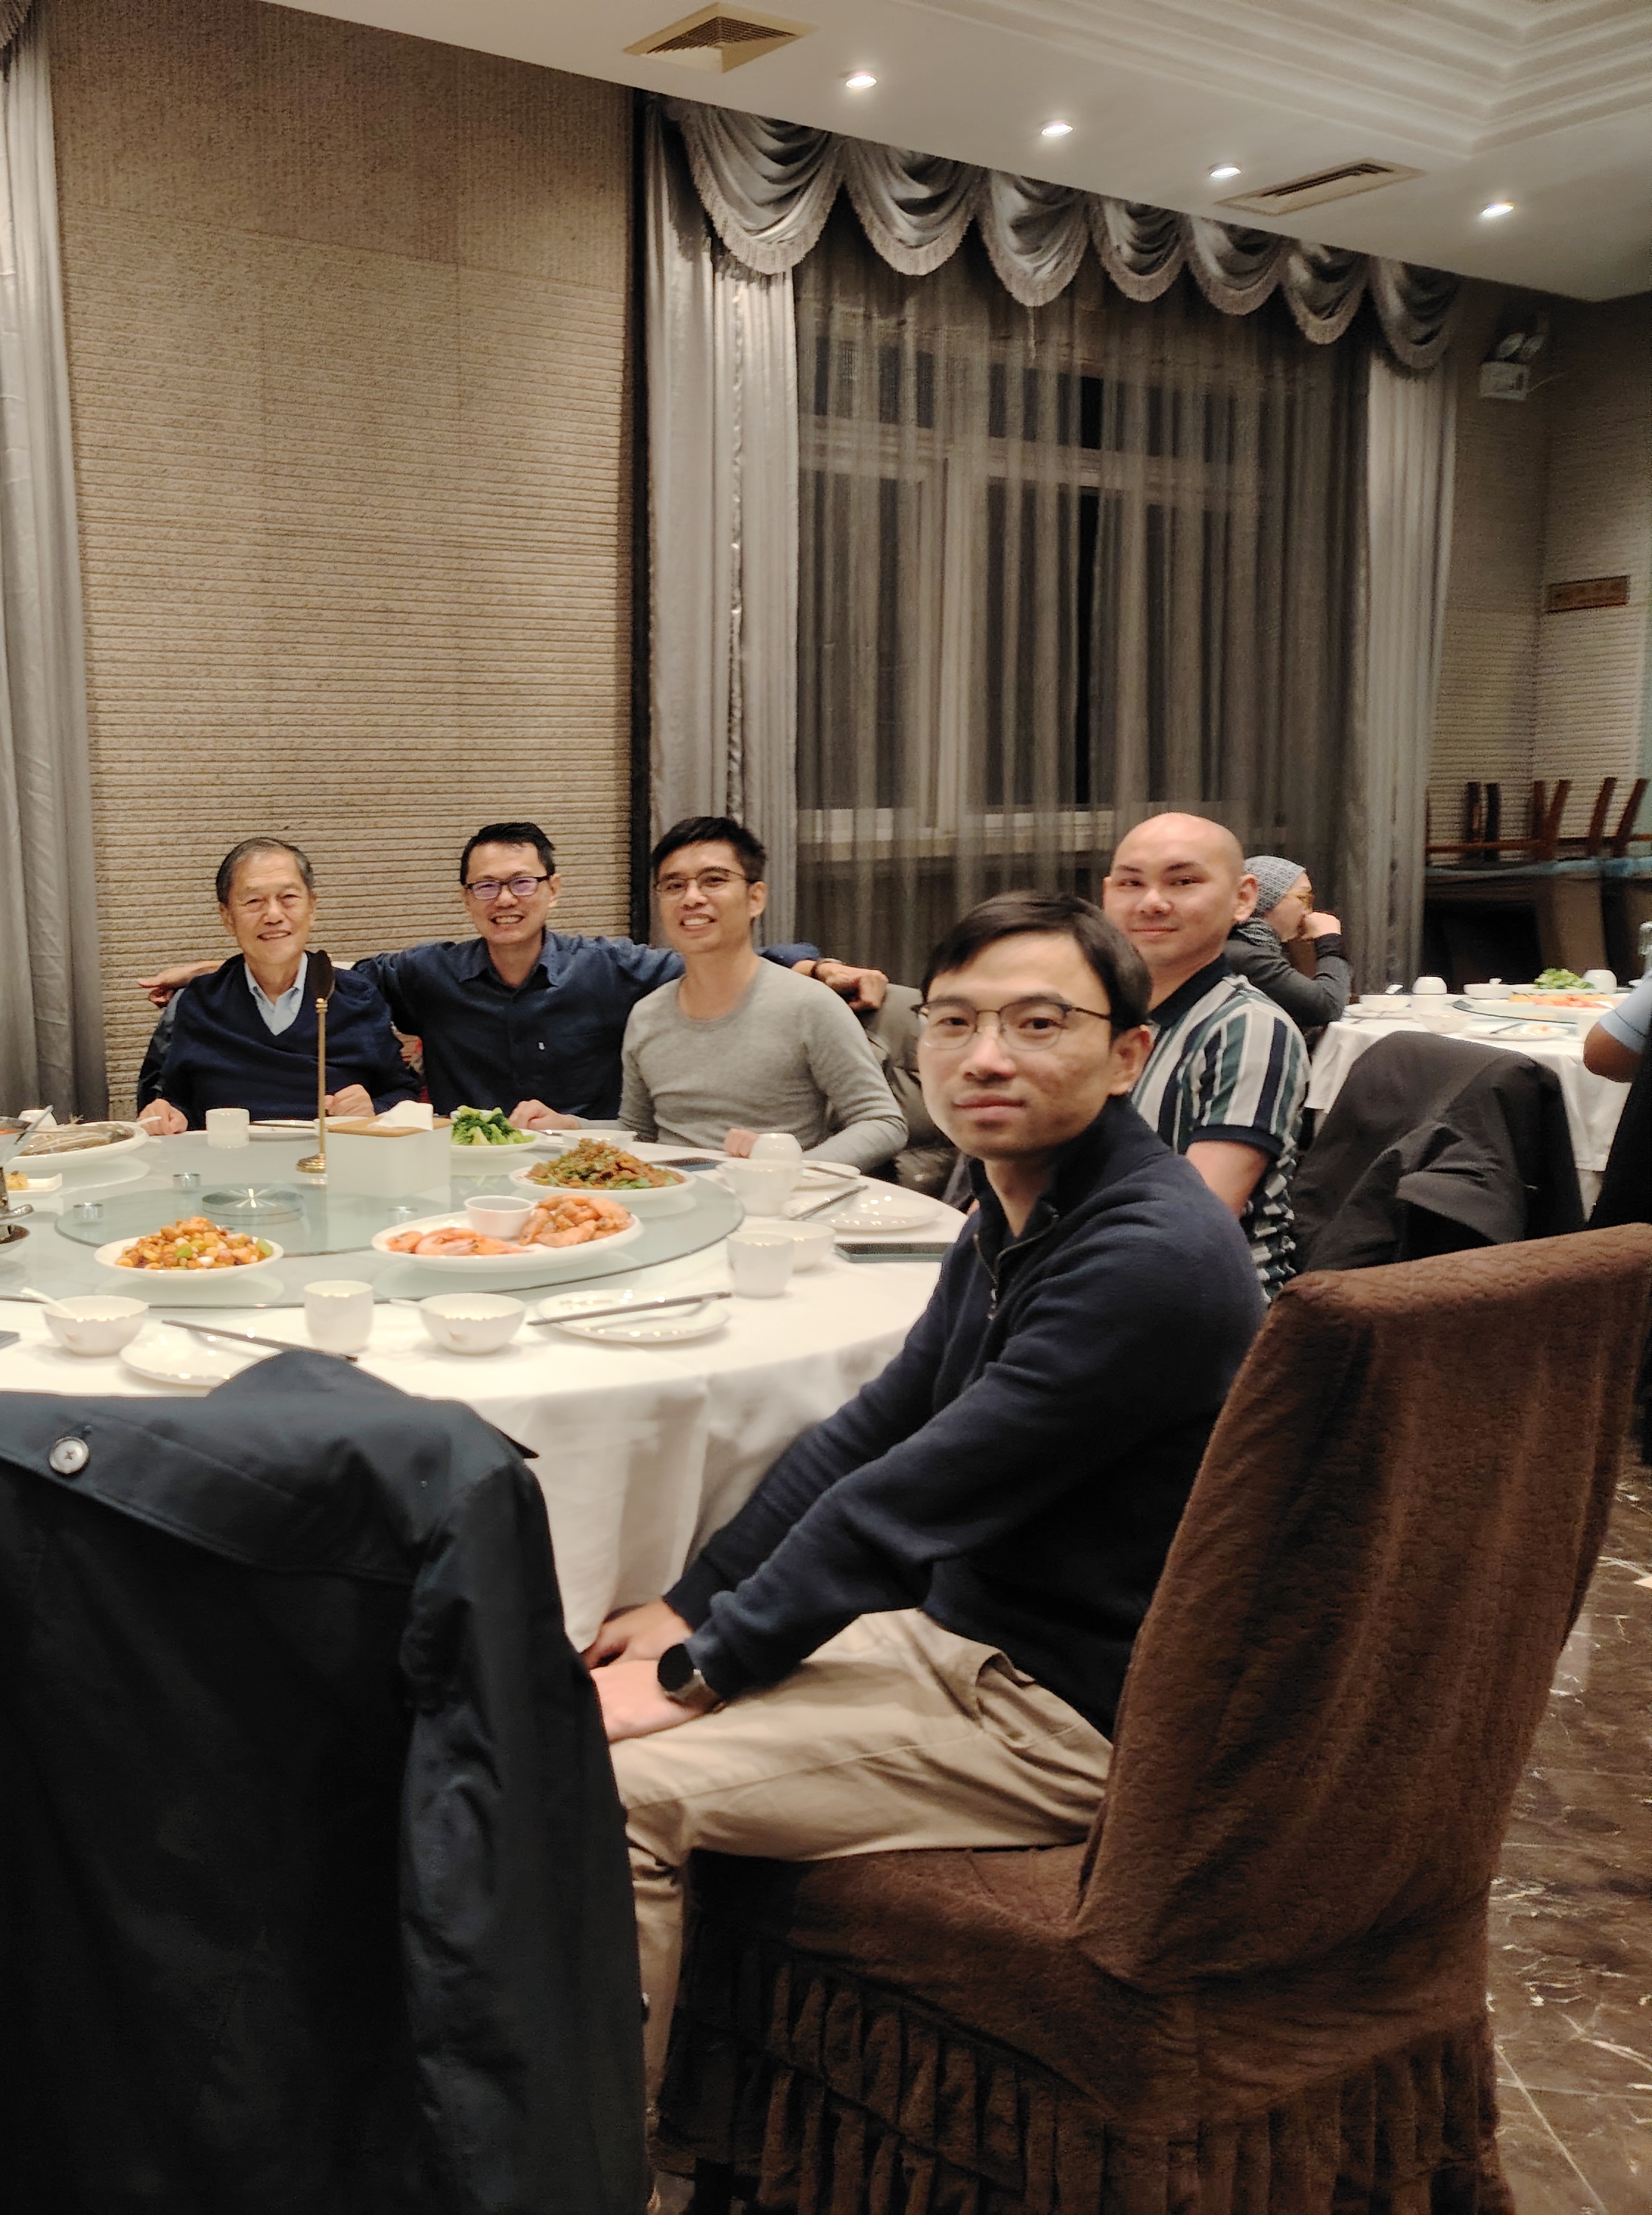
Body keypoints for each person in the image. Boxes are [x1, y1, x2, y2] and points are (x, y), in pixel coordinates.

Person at [588, 890, 1262, 2089]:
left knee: (601, 1789)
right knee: (569, 1680)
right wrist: (696, 1600)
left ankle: (591, 2170)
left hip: (1067, 1712)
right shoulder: (1016, 1202)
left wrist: (698, 1673)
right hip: (963, 1638)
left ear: (1128, 1054)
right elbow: (870, 1435)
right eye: (952, 1022)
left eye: (1038, 1022)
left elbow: (904, 1508)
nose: (985, 1056)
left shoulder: (1147, 1256)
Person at [134, 820, 887, 1127]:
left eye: (522, 882)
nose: (505, 900)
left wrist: (809, 964)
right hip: (467, 1177)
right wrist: (231, 967)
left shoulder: (613, 968)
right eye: (486, 886)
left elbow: (709, 952)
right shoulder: (424, 975)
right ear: (466, 899)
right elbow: (322, 971)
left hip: (582, 1160)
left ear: (552, 889)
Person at [618, 817, 906, 1170]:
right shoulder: (646, 1015)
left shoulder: (808, 1004)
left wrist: (785, 1166)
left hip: (776, 1208)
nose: (692, 898)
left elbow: (883, 1124)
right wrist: (569, 1128)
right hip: (673, 1202)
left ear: (755, 898)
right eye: (674, 886)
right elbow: (637, 1134)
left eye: (714, 881)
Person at [1103, 814, 1309, 1297]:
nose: (1152, 902)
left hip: (1202, 1308)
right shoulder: (1097, 1015)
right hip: (1091, 1276)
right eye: (1132, 883)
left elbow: (1190, 1226)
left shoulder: (1248, 1029)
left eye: (1183, 881)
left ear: (1243, 899)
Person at [133, 839, 421, 1133]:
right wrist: (168, 1114)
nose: (273, 915)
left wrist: (374, 1108)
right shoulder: (201, 1001)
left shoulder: (356, 996)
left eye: (288, 897)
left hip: (332, 1168)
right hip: (229, 1168)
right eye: (254, 901)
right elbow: (176, 1101)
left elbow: (404, 1094)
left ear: (312, 907)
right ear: (227, 917)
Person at [1222, 855, 1349, 1044]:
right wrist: (1329, 940)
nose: (1308, 911)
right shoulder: (1246, 955)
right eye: (1303, 897)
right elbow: (1327, 1006)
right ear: (1264, 900)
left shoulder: (1250, 945)